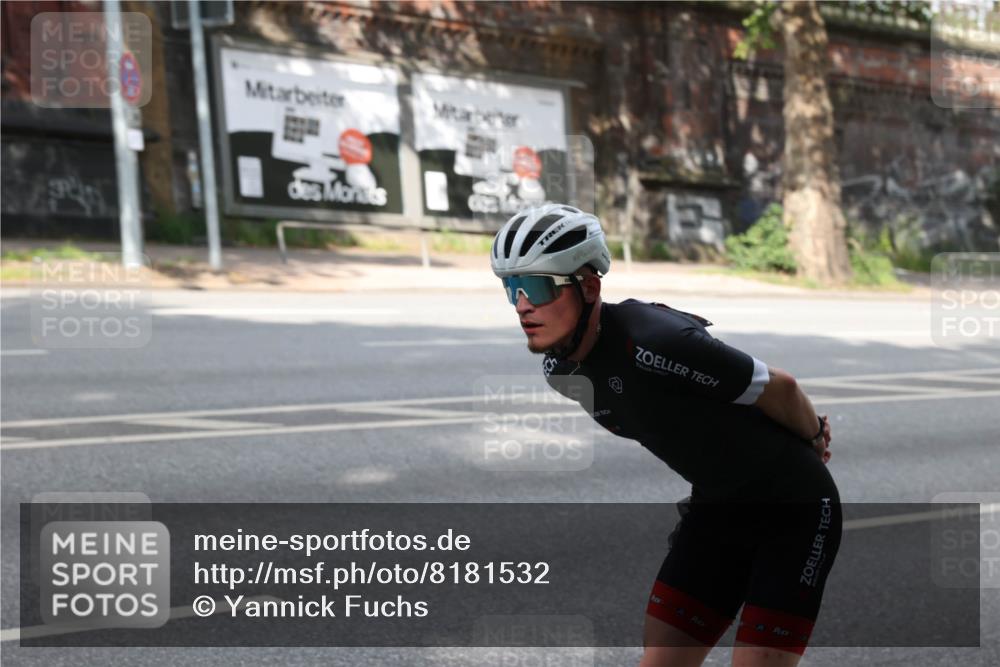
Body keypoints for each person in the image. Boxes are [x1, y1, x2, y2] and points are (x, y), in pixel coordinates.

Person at [490, 203, 842, 667]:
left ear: (589, 286)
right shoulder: (562, 370)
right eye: (511, 287)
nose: (521, 305)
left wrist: (815, 437)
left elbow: (781, 387)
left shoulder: (657, 341)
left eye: (536, 286)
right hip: (718, 508)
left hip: (793, 513)